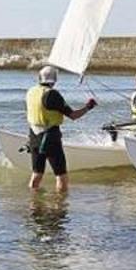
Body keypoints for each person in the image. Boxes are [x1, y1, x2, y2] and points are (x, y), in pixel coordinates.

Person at [24, 66, 96, 195]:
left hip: (33, 136)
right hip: (50, 137)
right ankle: (59, 206)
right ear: (55, 79)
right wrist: (88, 107)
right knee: (61, 176)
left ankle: (33, 205)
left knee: (36, 174)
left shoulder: (30, 92)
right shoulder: (52, 94)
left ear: (39, 77)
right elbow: (73, 115)